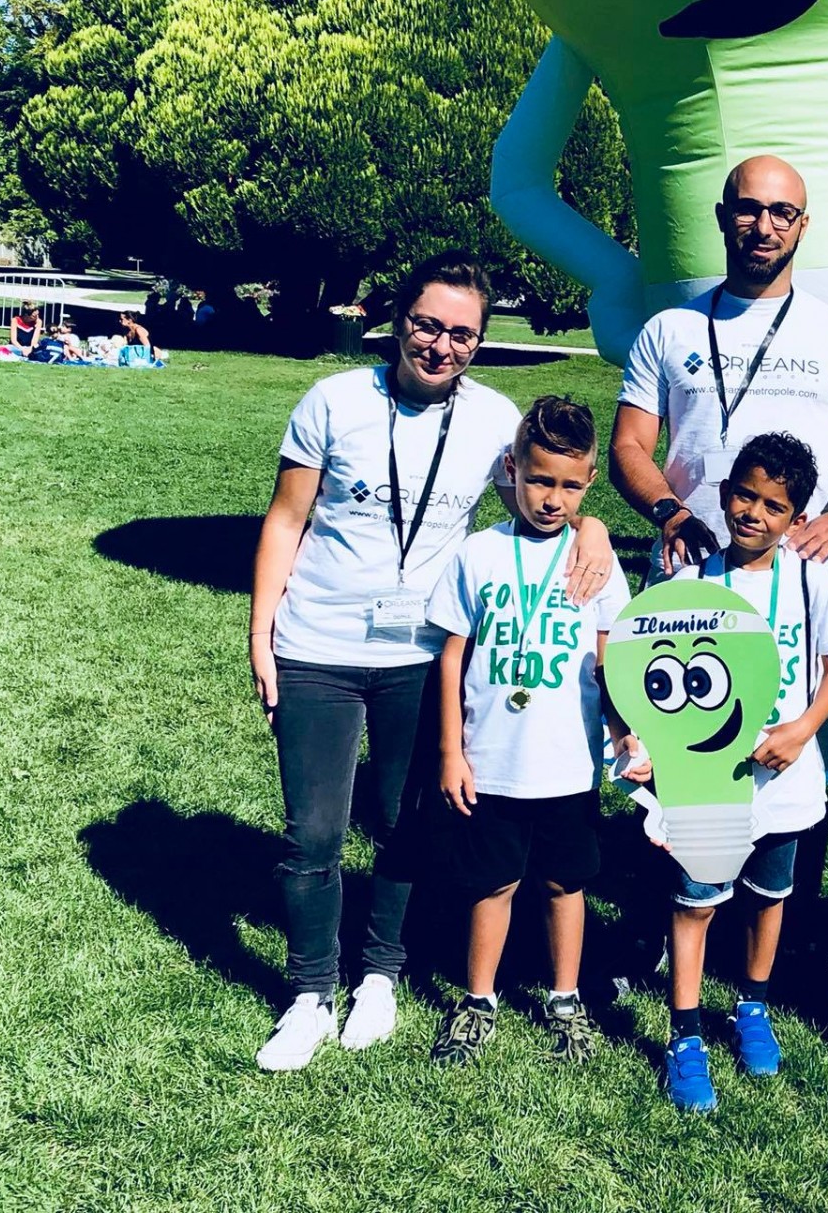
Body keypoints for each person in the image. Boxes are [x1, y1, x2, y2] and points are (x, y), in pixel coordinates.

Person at [248, 256, 617, 1072]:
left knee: (404, 827)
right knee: (313, 832)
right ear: (398, 320)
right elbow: (284, 519)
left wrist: (590, 531)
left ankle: (380, 973)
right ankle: (310, 992)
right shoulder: (334, 401)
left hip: (422, 654)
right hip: (319, 645)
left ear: (479, 341)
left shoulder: (491, 419)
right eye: (427, 325)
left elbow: (549, 488)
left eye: (461, 333)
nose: (440, 345)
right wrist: (261, 633)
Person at [609, 154, 828, 1004]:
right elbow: (629, 446)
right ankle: (658, 933)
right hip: (696, 579)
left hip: (794, 582)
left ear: (801, 226)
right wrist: (670, 514)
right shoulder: (670, 331)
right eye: (748, 209)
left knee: (793, 756)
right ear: (723, 214)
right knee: (678, 751)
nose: (763, 225)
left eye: (782, 212)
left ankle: (784, 946)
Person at [650, 432, 828, 1113]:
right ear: (722, 494)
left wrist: (802, 730)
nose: (753, 512)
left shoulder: (810, 581)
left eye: (773, 505)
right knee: (694, 907)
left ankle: (752, 1005)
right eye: (744, 494)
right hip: (708, 781)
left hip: (786, 783)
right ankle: (685, 1036)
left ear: (796, 519)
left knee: (769, 899)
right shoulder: (689, 584)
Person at [425, 395, 632, 1067]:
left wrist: (629, 732)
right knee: (494, 884)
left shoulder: (595, 559)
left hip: (568, 763)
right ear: (512, 469)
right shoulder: (477, 555)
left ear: (590, 482)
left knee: (564, 884)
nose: (552, 498)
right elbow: (452, 659)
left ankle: (565, 999)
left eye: (571, 486)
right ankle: (478, 1001)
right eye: (540, 479)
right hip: (492, 762)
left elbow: (612, 657)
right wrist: (452, 751)